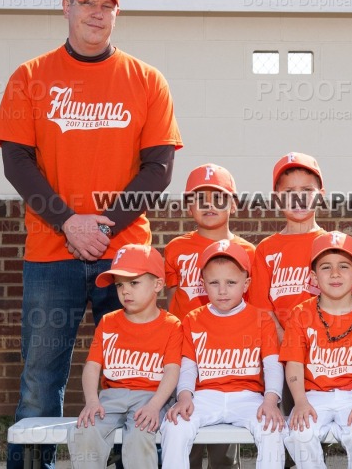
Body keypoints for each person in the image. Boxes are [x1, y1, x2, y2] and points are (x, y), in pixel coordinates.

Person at [0, 0, 183, 469]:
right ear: (66, 7)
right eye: (87, 3)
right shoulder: (30, 77)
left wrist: (101, 227)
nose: (97, 13)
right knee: (40, 380)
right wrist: (68, 223)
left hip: (124, 259)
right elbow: (17, 162)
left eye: (107, 5)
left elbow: (158, 168)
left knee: (132, 378)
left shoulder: (146, 80)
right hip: (51, 254)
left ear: (116, 13)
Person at [160, 240, 286, 469]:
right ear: (203, 284)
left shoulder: (261, 318)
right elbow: (188, 366)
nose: (222, 290)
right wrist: (184, 396)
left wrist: (271, 400)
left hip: (247, 396)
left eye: (231, 282)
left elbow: (272, 364)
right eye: (214, 283)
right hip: (205, 395)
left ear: (246, 283)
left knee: (271, 427)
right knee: (175, 424)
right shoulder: (193, 318)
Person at [163, 163, 254, 468]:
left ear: (233, 203)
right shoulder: (177, 247)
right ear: (188, 205)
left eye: (218, 198)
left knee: (222, 445)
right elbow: (171, 297)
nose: (209, 206)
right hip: (186, 348)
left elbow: (249, 309)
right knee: (182, 426)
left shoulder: (247, 251)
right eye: (199, 199)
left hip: (226, 355)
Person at [68, 245, 182, 468]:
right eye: (119, 285)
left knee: (140, 435)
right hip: (112, 397)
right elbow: (92, 366)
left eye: (134, 283)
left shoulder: (171, 325)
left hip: (151, 398)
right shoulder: (109, 321)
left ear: (158, 285)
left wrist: (156, 406)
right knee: (85, 430)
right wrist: (91, 400)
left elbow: (172, 370)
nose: (125, 291)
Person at [280, 231, 352, 469]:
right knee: (299, 434)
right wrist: (300, 401)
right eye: (325, 267)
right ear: (313, 277)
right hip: (313, 395)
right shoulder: (300, 313)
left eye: (344, 266)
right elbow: (294, 363)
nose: (335, 274)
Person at [248, 152, 328, 338]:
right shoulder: (266, 249)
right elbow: (261, 308)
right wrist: (287, 344)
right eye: (289, 192)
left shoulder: (332, 245)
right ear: (276, 198)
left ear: (321, 196)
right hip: (280, 350)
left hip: (327, 351)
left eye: (307, 191)